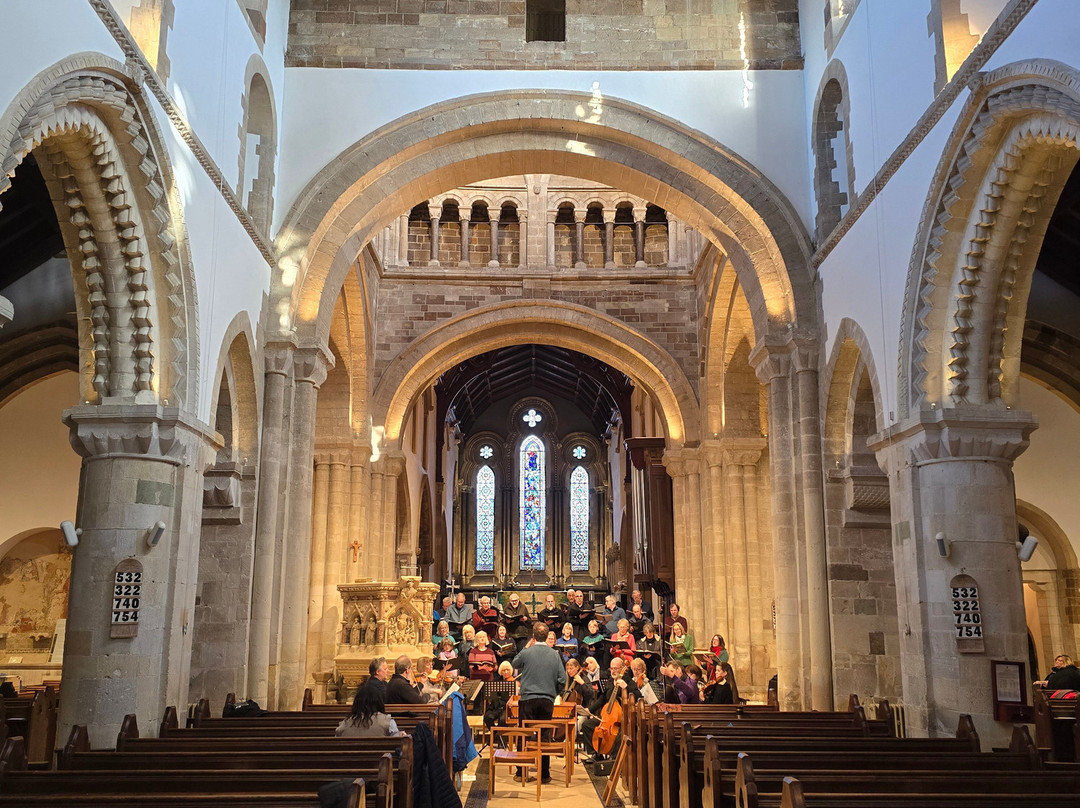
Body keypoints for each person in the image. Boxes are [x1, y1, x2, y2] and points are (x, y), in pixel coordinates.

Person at [513, 622, 566, 784]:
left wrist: (527, 647)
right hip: (546, 700)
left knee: (524, 733)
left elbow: (515, 663)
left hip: (528, 699)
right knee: (544, 735)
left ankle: (522, 772)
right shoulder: (555, 654)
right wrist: (553, 693)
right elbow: (562, 680)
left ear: (534, 636)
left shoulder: (528, 653)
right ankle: (543, 774)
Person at [579, 657, 640, 761]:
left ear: (622, 669)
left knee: (621, 732)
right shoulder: (610, 681)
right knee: (587, 725)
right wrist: (590, 709)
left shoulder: (628, 681)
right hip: (608, 718)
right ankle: (596, 753)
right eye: (611, 668)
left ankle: (614, 757)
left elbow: (639, 696)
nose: (613, 671)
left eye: (616, 668)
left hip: (622, 718)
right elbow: (603, 698)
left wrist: (626, 688)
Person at [336, 681, 405, 737]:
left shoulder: (344, 724)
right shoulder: (387, 722)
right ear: (379, 702)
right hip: (380, 754)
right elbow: (397, 744)